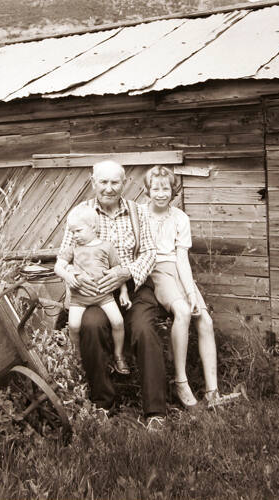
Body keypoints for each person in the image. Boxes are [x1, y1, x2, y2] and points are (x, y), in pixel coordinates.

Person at [58, 160, 166, 429]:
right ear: (93, 182)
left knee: (144, 329)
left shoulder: (137, 212)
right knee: (91, 326)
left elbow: (150, 253)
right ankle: (102, 403)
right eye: (103, 182)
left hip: (134, 286)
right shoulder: (80, 214)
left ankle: (156, 412)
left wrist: (125, 274)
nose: (108, 188)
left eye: (114, 182)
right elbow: (65, 257)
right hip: (94, 291)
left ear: (124, 183)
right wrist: (76, 279)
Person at [142, 165, 240, 409]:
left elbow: (182, 258)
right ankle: (180, 381)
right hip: (156, 270)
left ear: (173, 190)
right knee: (183, 312)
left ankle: (212, 392)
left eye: (166, 188)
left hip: (177, 270)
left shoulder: (180, 218)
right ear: (147, 190)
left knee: (204, 320)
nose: (161, 193)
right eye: (156, 188)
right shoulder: (139, 215)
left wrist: (190, 291)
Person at [54, 205, 132, 375]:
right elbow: (58, 267)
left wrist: (124, 292)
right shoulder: (73, 249)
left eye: (78, 231)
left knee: (118, 322)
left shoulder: (107, 247)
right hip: (79, 298)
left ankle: (118, 355)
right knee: (74, 326)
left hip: (104, 296)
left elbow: (118, 270)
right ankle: (77, 356)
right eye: (72, 232)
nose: (74, 236)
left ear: (94, 228)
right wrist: (68, 277)